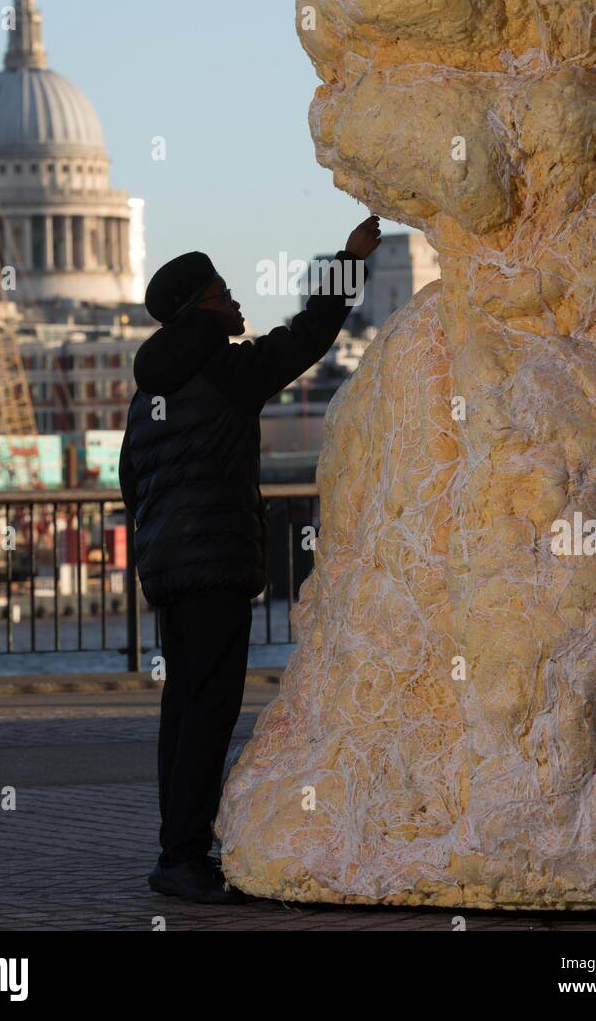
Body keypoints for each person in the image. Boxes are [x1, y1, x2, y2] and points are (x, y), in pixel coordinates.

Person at [119, 214, 381, 904]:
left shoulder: (148, 392)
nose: (237, 303)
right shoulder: (222, 372)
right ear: (203, 307)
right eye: (225, 293)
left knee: (184, 708)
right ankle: (182, 858)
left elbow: (130, 482)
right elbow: (304, 340)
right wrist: (348, 262)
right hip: (214, 569)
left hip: (168, 570)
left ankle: (176, 849)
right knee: (209, 711)